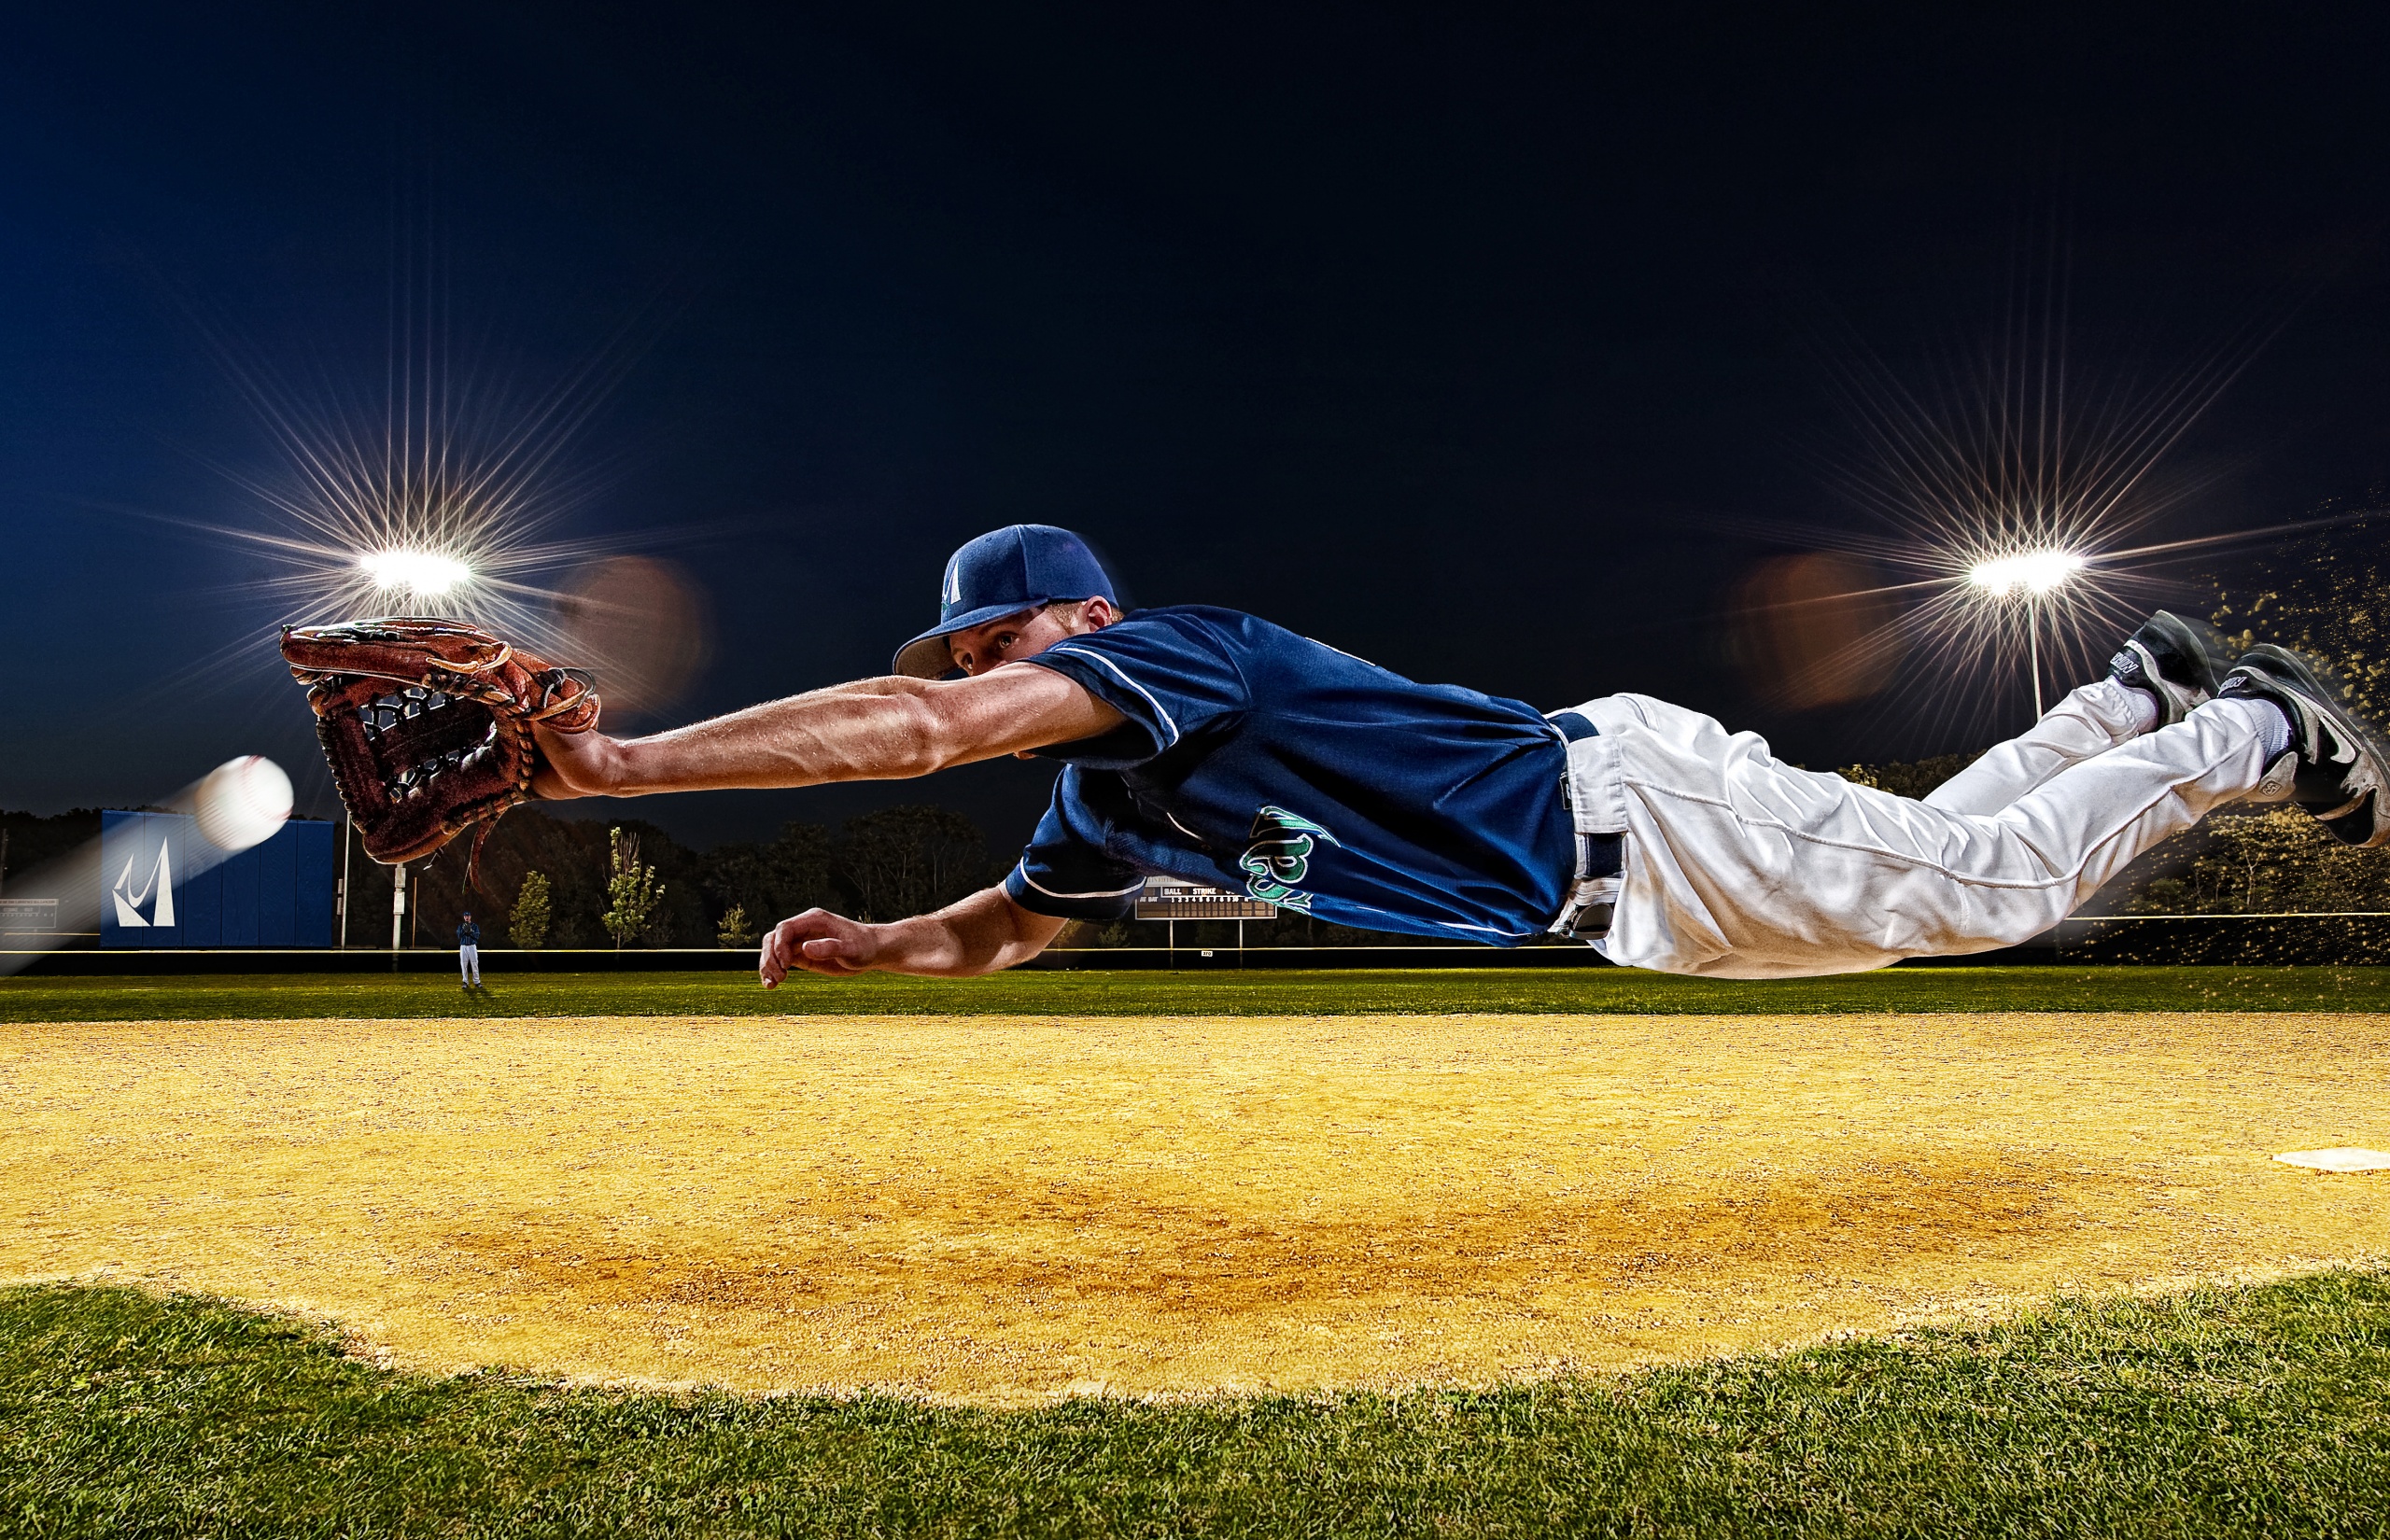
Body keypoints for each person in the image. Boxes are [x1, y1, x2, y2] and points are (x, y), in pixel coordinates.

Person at [527, 523, 2388, 984]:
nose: (974, 671)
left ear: (1074, 622)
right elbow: (1009, 922)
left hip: (1626, 810)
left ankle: (2236, 724)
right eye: (971, 648)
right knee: (1945, 893)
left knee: (1990, 895)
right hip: (1625, 897)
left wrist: (617, 772)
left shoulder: (1175, 650)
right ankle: (2131, 700)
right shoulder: (1110, 800)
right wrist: (874, 950)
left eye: (997, 637)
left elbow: (913, 734)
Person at [457, 910, 483, 991]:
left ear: (470, 917)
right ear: (464, 917)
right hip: (464, 946)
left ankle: (477, 981)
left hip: (472, 946)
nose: (467, 917)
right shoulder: (461, 926)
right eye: (465, 916)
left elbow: (477, 936)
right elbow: (459, 935)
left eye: (468, 916)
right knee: (463, 964)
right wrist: (464, 931)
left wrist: (471, 932)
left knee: (474, 963)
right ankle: (465, 982)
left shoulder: (474, 926)